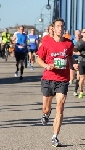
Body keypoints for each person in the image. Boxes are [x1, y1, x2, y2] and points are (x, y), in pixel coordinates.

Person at [36, 18, 75, 147]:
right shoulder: (47, 43)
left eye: (62, 26)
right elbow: (38, 59)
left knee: (61, 106)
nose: (60, 28)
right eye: (58, 26)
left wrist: (73, 66)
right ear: (54, 28)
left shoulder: (69, 43)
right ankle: (46, 113)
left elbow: (69, 56)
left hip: (62, 80)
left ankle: (55, 136)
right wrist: (47, 66)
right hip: (48, 78)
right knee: (46, 108)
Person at [73, 28, 85, 98]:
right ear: (82, 34)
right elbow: (74, 50)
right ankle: (81, 91)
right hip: (81, 61)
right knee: (82, 78)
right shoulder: (80, 42)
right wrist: (77, 52)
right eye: (84, 32)